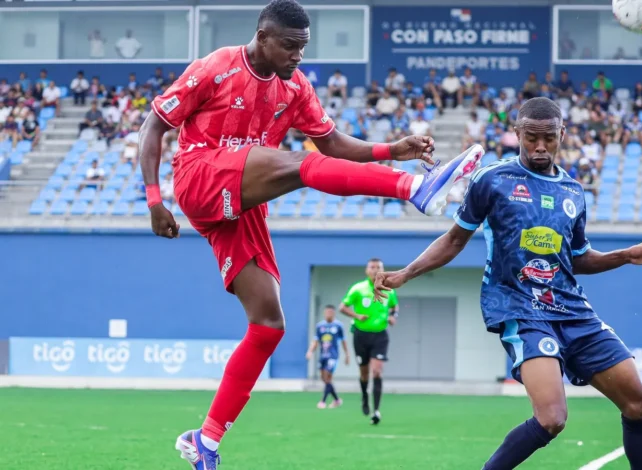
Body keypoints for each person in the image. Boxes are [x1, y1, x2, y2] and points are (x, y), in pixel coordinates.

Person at [140, 2, 483, 468]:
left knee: (268, 324)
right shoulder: (216, 67)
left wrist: (390, 149)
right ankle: (416, 190)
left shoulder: (295, 87)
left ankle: (207, 440)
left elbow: (332, 143)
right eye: (290, 45)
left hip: (241, 202)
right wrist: (154, 200)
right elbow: (154, 124)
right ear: (263, 37)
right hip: (200, 177)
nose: (298, 56)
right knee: (298, 166)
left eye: (303, 47)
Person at [373, 97, 642, 470]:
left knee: (640, 403)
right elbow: (453, 240)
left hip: (572, 310)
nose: (540, 146)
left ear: (562, 134)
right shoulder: (492, 180)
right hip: (519, 306)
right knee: (551, 418)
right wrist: (405, 274)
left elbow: (577, 261)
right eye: (531, 138)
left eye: (548, 138)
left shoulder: (573, 191)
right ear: (517, 134)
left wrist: (626, 255)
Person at [339, 258, 398, 425]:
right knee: (364, 373)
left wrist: (393, 316)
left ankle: (376, 410)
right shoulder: (358, 289)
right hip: (361, 335)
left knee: (377, 371)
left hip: (380, 335)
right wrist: (357, 316)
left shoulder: (389, 290)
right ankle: (365, 396)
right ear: (367, 270)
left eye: (378, 267)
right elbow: (342, 307)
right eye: (372, 267)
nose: (375, 270)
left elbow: (394, 307)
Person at [305, 305, 349, 409]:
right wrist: (310, 351)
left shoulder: (338, 326)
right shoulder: (320, 326)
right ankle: (337, 400)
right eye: (327, 312)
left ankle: (323, 401)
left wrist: (347, 354)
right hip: (323, 355)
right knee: (324, 378)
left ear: (333, 313)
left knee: (328, 377)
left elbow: (343, 341)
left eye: (330, 312)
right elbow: (315, 341)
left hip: (333, 355)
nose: (328, 314)